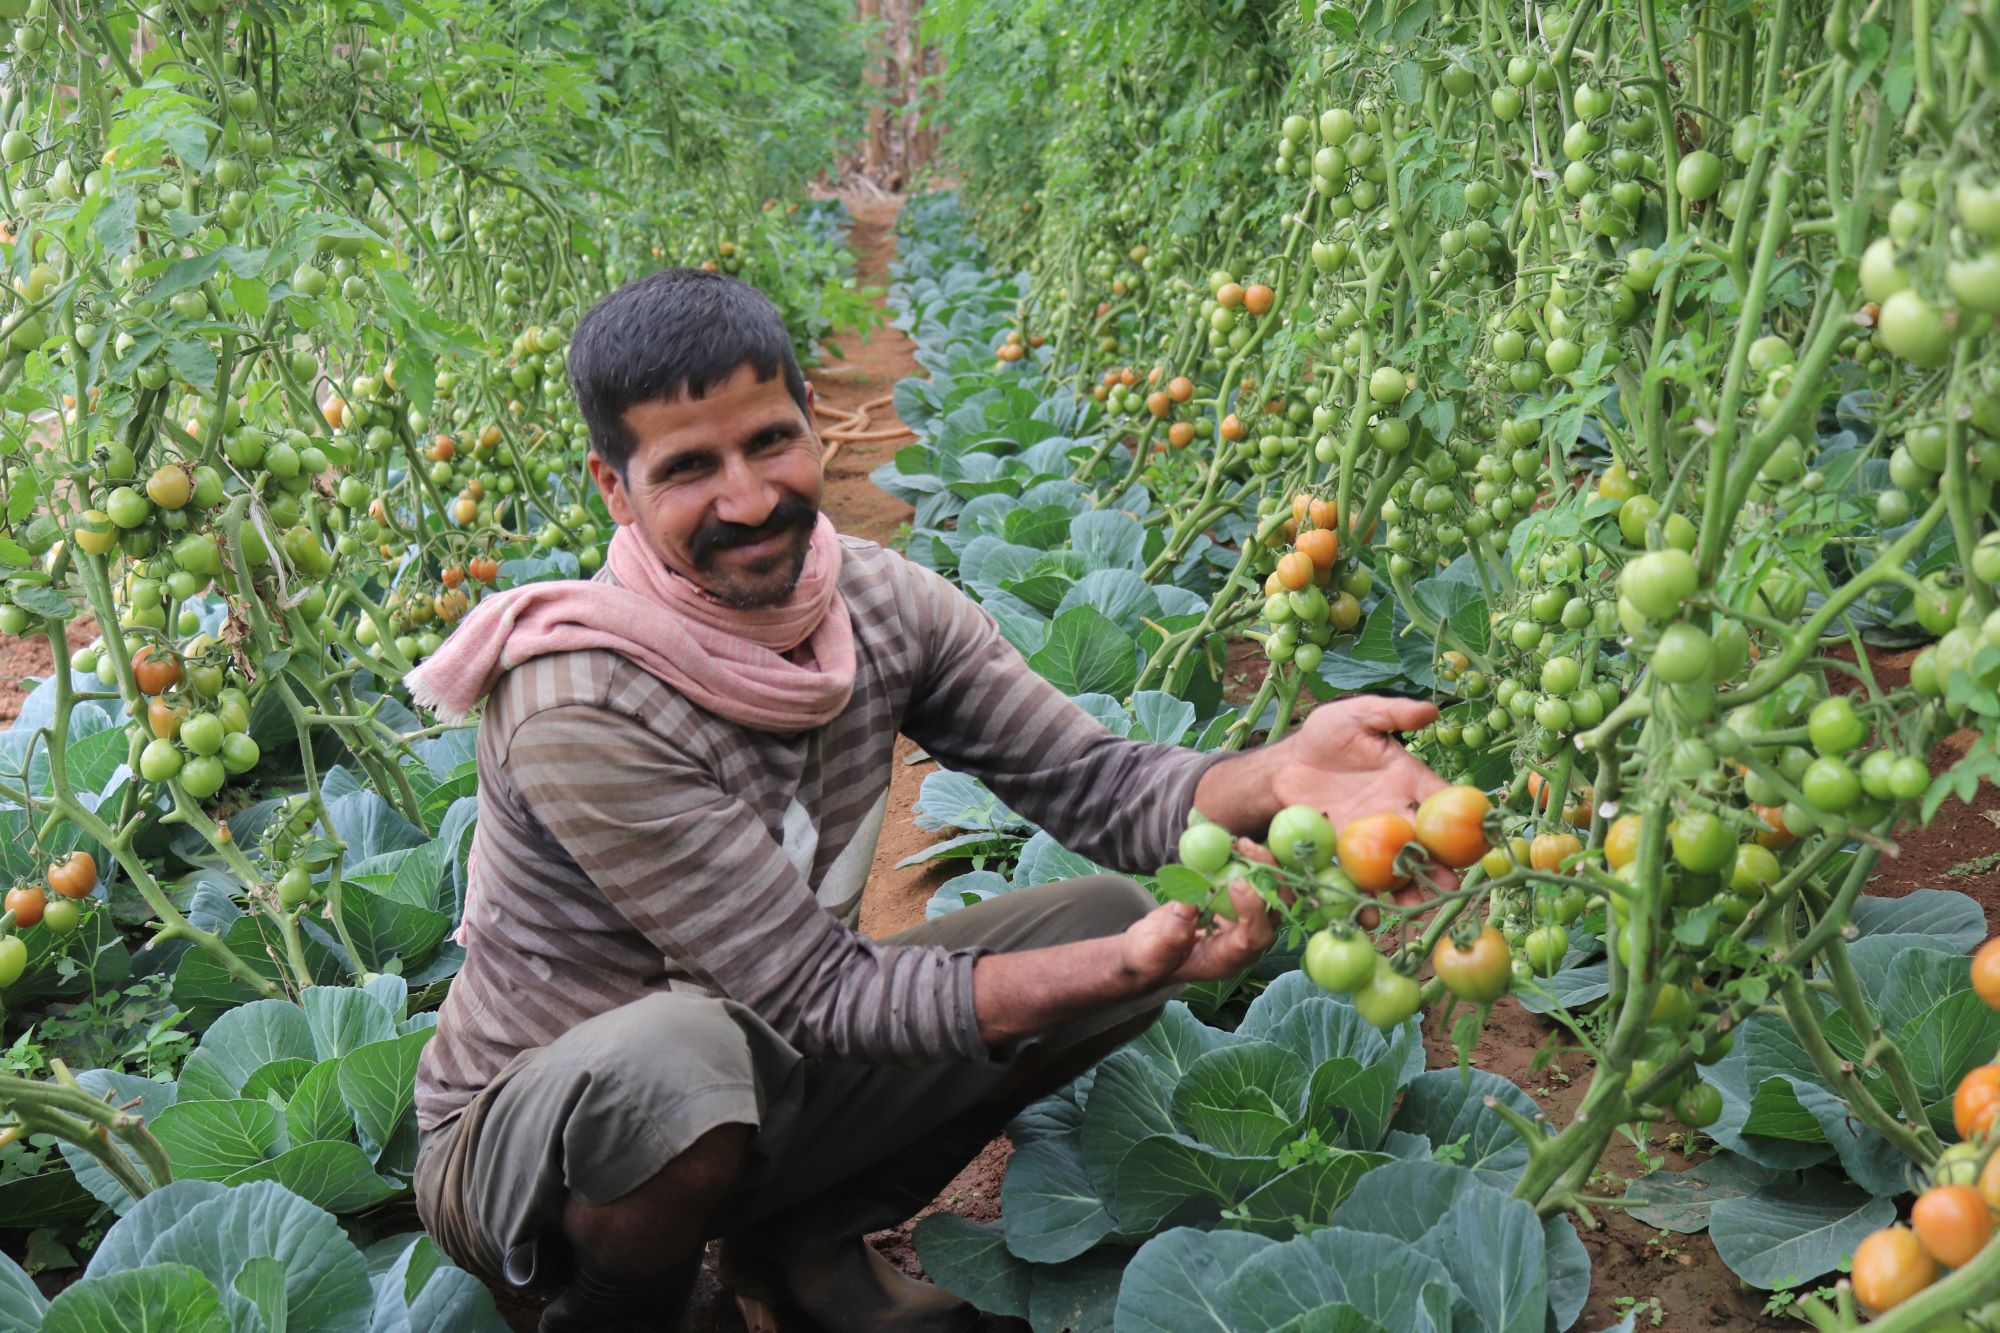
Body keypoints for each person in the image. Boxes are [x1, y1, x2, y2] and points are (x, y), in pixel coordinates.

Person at [404, 268, 1450, 1333]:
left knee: (1105, 919)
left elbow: (1093, 782)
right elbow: (819, 996)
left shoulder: (876, 604)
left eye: (769, 440)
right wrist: (1107, 973)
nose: (750, 497)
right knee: (683, 1055)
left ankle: (796, 1244)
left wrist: (1273, 775)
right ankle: (620, 1313)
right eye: (687, 468)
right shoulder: (577, 703)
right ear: (613, 487)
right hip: (522, 1142)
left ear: (811, 422)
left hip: (765, 1060)